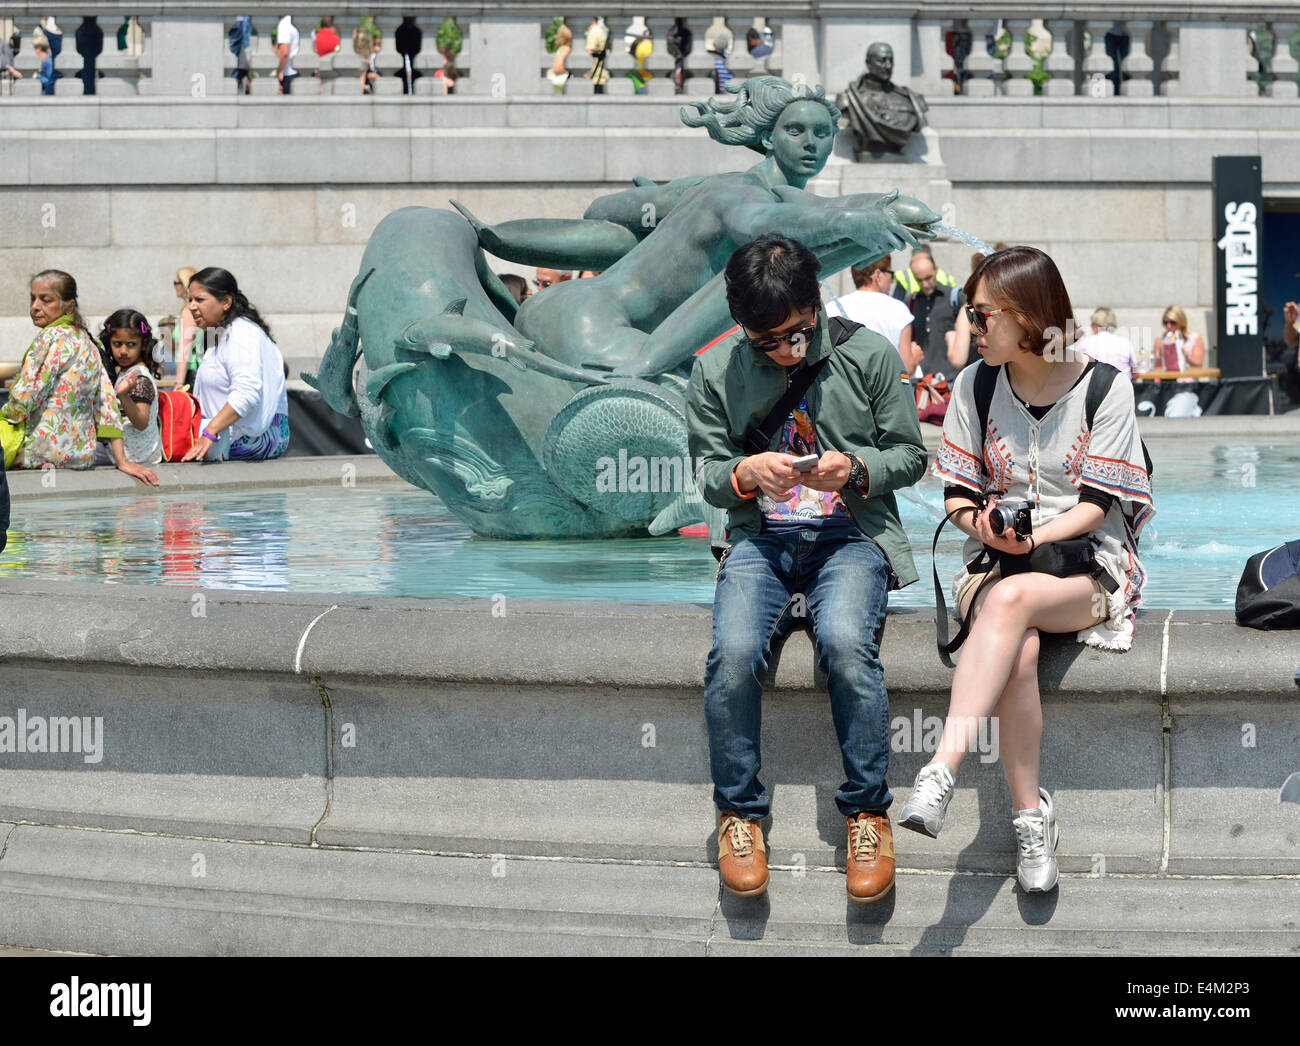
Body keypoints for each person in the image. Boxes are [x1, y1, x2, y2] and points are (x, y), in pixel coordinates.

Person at [904, 246, 1154, 892]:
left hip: (1086, 572)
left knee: (1012, 605)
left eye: (982, 315)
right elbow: (956, 495)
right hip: (992, 564)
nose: (971, 327)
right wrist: (982, 526)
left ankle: (940, 769)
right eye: (969, 313)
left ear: (1025, 314)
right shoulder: (975, 384)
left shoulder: (1105, 386)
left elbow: (1098, 506)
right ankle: (1029, 822)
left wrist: (1035, 535)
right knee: (1017, 645)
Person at [687, 234, 928, 902]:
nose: (788, 350)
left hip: (851, 537)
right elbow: (707, 476)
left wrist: (855, 468)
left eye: (798, 333)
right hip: (760, 542)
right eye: (767, 341)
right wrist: (742, 473)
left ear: (816, 302)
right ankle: (739, 813)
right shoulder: (714, 374)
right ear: (741, 327)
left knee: (849, 646)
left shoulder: (869, 355)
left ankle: (868, 813)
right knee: (732, 654)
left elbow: (911, 455)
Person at [1, 270, 157, 484]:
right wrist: (122, 461)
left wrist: (4, 417)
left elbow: (24, 398)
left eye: (46, 300)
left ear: (69, 305)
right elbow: (107, 405)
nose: (35, 307)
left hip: (39, 455)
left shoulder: (50, 337)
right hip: (82, 457)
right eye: (33, 298)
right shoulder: (92, 343)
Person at [181, 268, 290, 462]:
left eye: (200, 300)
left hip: (252, 440)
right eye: (190, 300)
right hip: (228, 435)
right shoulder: (221, 333)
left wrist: (209, 434)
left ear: (226, 302)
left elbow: (246, 393)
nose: (192, 306)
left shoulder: (242, 333)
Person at [828, 257, 920, 372]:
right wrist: (915, 358)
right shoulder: (898, 309)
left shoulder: (832, 307)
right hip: (883, 387)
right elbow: (906, 367)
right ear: (878, 275)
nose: (892, 281)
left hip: (844, 386)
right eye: (890, 273)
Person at [98, 309, 163, 465]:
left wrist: (124, 396)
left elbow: (141, 422)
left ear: (144, 344)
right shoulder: (125, 372)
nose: (123, 351)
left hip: (136, 456)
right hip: (129, 451)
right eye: (117, 344)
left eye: (131, 345)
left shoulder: (140, 378)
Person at [840, 42, 929, 156]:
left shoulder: (910, 99)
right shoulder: (849, 99)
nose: (888, 66)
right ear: (868, 63)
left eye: (890, 61)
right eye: (881, 61)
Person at [906, 251, 959, 377]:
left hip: (951, 379)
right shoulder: (911, 301)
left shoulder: (954, 297)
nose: (925, 284)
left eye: (928, 278)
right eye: (919, 280)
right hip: (922, 380)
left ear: (936, 270)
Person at [1075, 307, 1139, 380]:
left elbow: (1075, 369)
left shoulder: (1085, 343)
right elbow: (1135, 373)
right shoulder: (1126, 343)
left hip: (1093, 388)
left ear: (1095, 326)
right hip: (1121, 388)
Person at [1154, 305, 1205, 372]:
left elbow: (1198, 364)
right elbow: (1157, 368)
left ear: (1181, 322)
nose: (1168, 326)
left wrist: (1184, 354)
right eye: (1165, 322)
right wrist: (1161, 353)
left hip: (1189, 379)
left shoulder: (1195, 338)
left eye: (1173, 322)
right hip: (1167, 379)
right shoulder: (1160, 340)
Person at [583, 15, 610, 93]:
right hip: (601, 76)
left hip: (595, 77)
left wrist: (587, 73)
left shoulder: (593, 32)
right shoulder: (600, 30)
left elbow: (589, 53)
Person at [275, 14, 300, 94]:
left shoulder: (285, 24)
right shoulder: (306, 20)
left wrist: (278, 72)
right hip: (305, 72)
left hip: (290, 74)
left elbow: (284, 52)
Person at [547, 23, 572, 93]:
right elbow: (557, 68)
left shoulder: (560, 49)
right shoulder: (566, 49)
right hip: (561, 85)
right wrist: (569, 74)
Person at [709, 28, 733, 93]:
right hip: (728, 92)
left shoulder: (710, 59)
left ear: (714, 44)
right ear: (727, 45)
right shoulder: (731, 59)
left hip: (716, 92)